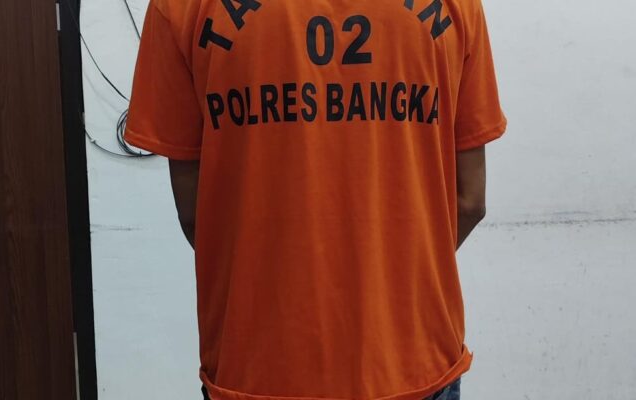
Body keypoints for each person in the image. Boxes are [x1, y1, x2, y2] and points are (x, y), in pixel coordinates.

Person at [124, 0, 506, 398]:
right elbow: (470, 200)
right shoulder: (458, 7)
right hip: (413, 359)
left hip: (256, 367)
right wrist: (391, 274)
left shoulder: (181, 7)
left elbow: (197, 215)